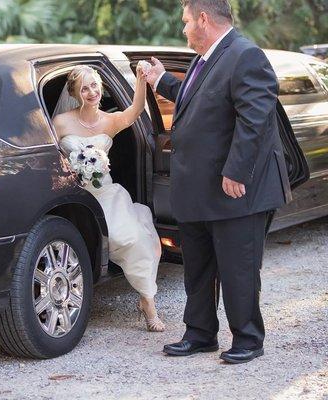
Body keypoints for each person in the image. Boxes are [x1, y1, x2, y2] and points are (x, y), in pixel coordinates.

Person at [146, 0, 291, 363]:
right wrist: (160, 80)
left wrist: (236, 171)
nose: (183, 29)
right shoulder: (205, 58)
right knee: (198, 267)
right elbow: (197, 101)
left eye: (186, 22)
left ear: (204, 19)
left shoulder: (245, 55)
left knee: (237, 268)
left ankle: (247, 339)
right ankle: (199, 334)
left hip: (235, 189)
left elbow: (254, 119)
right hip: (198, 189)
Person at [52, 64, 165, 332]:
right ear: (75, 93)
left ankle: (148, 302)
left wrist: (140, 81)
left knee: (134, 238)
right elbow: (52, 156)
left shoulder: (108, 121)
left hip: (106, 194)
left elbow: (135, 111)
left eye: (94, 86)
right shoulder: (61, 122)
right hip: (75, 196)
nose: (92, 92)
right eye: (85, 88)